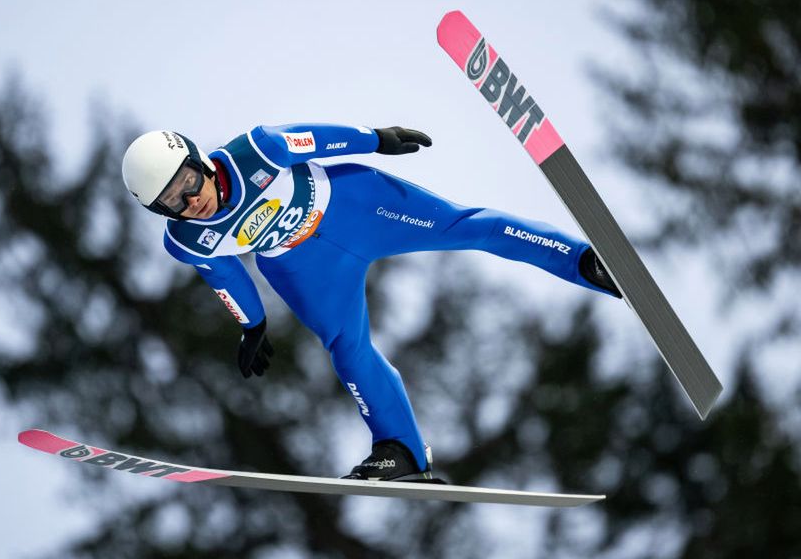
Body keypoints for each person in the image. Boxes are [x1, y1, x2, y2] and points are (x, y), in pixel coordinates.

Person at [121, 124, 620, 482]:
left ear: (197, 161)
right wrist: (252, 326)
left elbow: (317, 139)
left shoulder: (258, 150)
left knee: (471, 228)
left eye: (187, 183)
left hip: (353, 205)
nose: (190, 202)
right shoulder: (187, 240)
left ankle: (583, 262)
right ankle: (401, 449)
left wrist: (378, 139)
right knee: (347, 347)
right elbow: (225, 277)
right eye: (171, 202)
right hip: (302, 266)